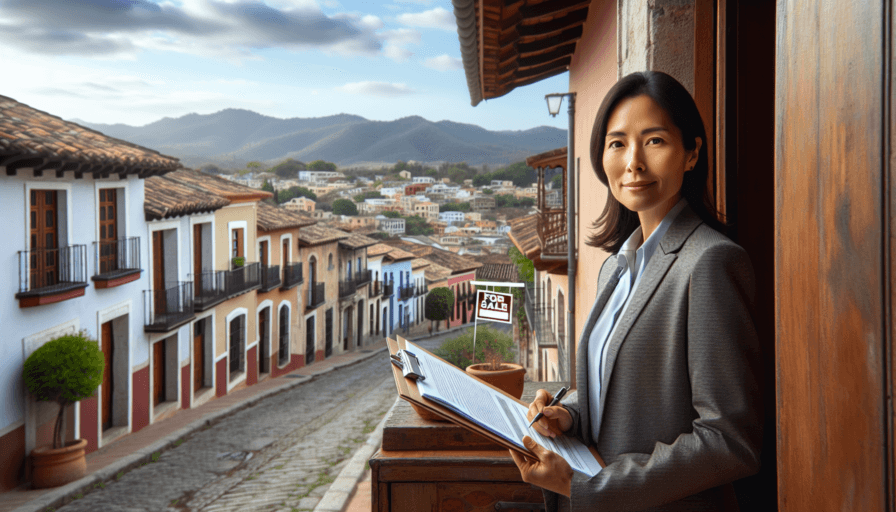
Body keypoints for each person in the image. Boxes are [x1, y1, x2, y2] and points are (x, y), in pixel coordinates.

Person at [509, 71, 762, 511]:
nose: (633, 163)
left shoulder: (710, 262)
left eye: (655, 141)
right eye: (617, 143)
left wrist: (585, 486)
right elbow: (617, 391)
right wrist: (568, 414)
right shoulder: (616, 267)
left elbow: (728, 440)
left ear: (691, 153)